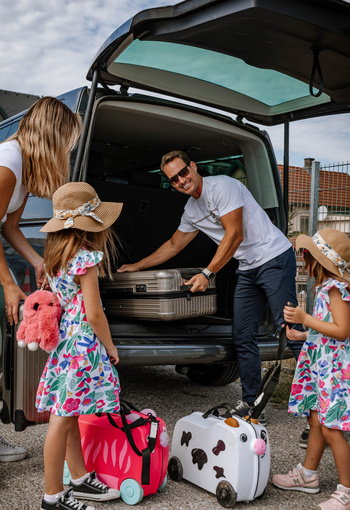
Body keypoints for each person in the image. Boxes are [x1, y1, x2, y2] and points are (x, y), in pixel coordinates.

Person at [118, 150, 304, 424]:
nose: (182, 180)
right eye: (174, 179)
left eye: (183, 172)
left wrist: (208, 272)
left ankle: (323, 409)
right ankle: (251, 406)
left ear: (193, 167)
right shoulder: (191, 210)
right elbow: (173, 245)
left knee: (291, 331)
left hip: (274, 258)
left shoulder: (223, 187)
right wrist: (136, 266)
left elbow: (235, 234)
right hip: (249, 268)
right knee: (242, 335)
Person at [0, 96, 82, 462]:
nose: (68, 149)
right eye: (67, 140)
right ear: (54, 134)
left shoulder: (26, 170)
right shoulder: (9, 162)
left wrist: (37, 262)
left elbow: (10, 226)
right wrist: (7, 284)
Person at [36, 182, 123, 510]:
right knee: (61, 420)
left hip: (65, 345)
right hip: (82, 347)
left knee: (70, 415)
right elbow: (94, 313)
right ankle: (53, 497)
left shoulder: (55, 258)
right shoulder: (86, 258)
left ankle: (80, 477)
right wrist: (111, 346)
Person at [272, 228, 350, 510]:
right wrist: (305, 334)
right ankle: (308, 475)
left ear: (317, 261)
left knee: (331, 428)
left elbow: (342, 331)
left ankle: (346, 491)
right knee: (316, 420)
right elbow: (329, 329)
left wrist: (305, 318)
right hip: (322, 366)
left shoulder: (335, 290)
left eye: (306, 254)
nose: (303, 259)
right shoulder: (325, 289)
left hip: (334, 373)